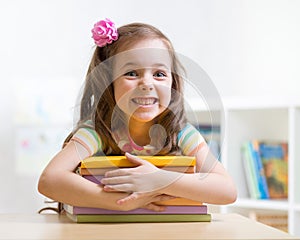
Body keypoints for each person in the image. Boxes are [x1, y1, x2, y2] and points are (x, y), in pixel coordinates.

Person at [38, 18, 237, 212]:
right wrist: (121, 202)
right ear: (109, 82)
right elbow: (49, 180)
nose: (147, 83)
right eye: (132, 73)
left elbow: (226, 190)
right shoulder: (97, 132)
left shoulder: (180, 133)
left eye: (159, 74)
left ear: (172, 84)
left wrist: (160, 180)